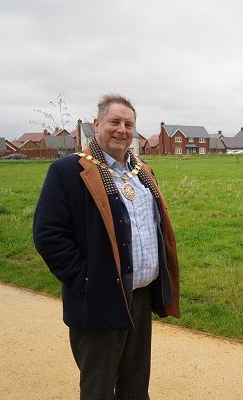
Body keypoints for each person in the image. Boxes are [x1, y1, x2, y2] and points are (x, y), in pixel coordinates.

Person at [33, 94, 180, 400]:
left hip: (139, 296)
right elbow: (48, 234)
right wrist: (87, 281)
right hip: (99, 299)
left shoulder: (143, 171)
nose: (122, 129)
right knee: (99, 388)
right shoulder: (67, 172)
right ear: (97, 125)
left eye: (129, 124)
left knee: (136, 386)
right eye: (114, 122)